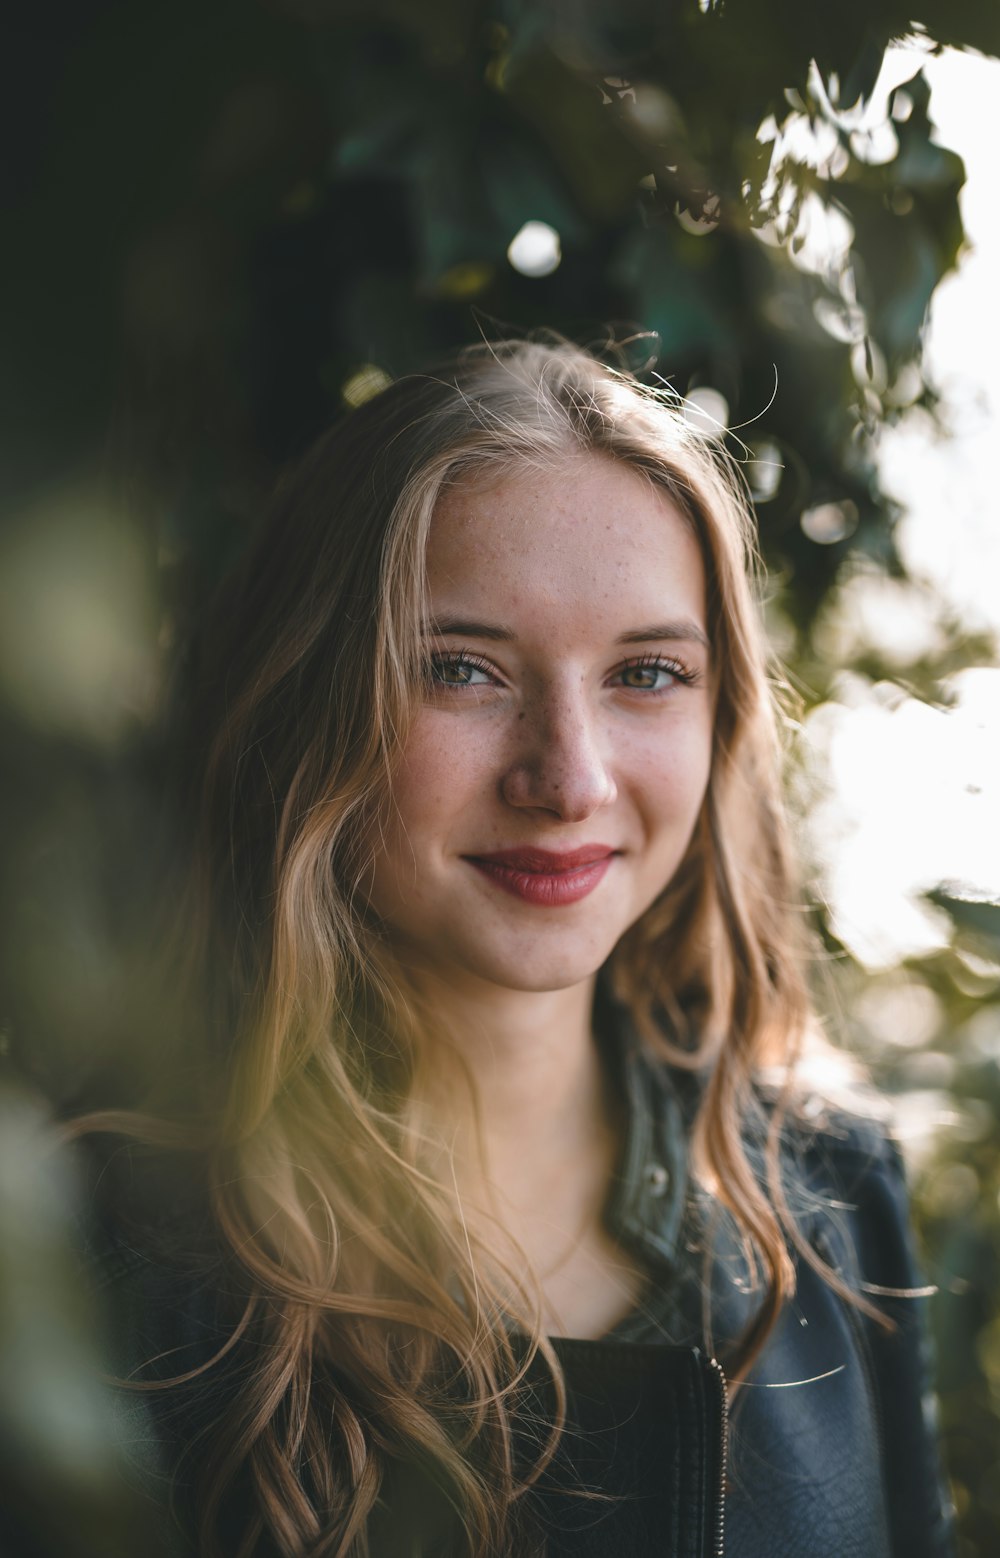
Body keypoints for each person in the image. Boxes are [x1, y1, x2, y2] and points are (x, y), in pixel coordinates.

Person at [76, 338, 954, 1557]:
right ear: (308, 697)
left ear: (723, 714)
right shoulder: (94, 1248)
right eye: (463, 670)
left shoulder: (836, 1192)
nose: (570, 778)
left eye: (647, 672)